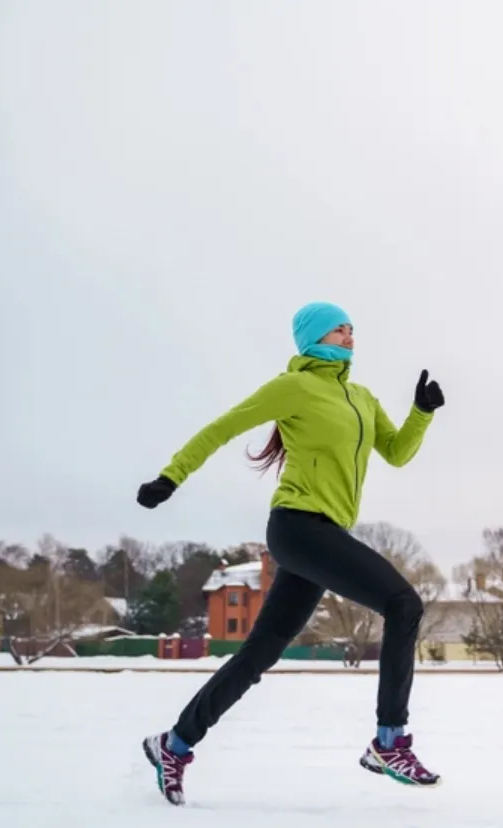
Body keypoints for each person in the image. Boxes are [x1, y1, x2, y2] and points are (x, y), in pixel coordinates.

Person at [133, 301, 445, 805]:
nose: (350, 335)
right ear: (314, 337)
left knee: (259, 654)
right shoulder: (293, 386)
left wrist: (421, 413)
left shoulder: (362, 397)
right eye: (339, 329)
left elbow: (396, 452)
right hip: (297, 528)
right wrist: (170, 477)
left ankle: (173, 744)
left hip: (324, 535)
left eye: (352, 328)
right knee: (403, 603)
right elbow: (222, 428)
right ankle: (389, 742)